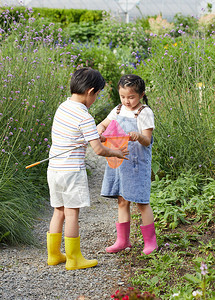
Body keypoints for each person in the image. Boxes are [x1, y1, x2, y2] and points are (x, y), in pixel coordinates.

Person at [46, 67, 129, 270]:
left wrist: (94, 135)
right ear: (91, 91)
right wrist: (116, 153)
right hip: (72, 172)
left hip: (54, 169)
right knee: (72, 213)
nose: (96, 99)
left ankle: (54, 255)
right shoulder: (85, 116)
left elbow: (73, 134)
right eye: (98, 95)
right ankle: (74, 259)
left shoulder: (63, 107)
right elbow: (99, 150)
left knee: (58, 211)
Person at [97, 74, 158, 255]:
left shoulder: (144, 112)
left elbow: (147, 140)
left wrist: (138, 136)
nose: (127, 101)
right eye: (123, 97)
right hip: (119, 162)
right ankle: (123, 241)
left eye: (131, 97)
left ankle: (150, 242)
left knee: (141, 202)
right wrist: (100, 131)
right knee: (122, 200)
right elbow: (102, 125)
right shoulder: (117, 110)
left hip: (137, 164)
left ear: (141, 95)